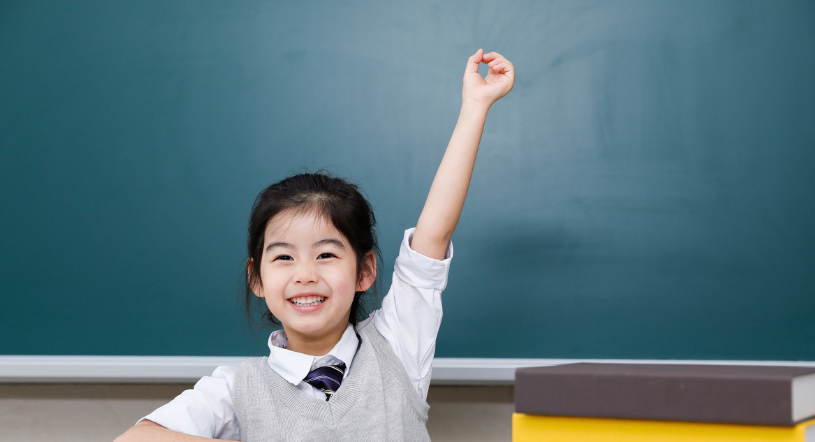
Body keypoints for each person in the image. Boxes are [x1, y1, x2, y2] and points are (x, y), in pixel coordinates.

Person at [115, 48, 515, 441]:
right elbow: (136, 438)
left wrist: (475, 106)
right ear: (256, 278)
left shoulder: (397, 347)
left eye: (325, 254)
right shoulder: (236, 390)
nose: (305, 274)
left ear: (364, 271)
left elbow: (434, 234)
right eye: (283, 257)